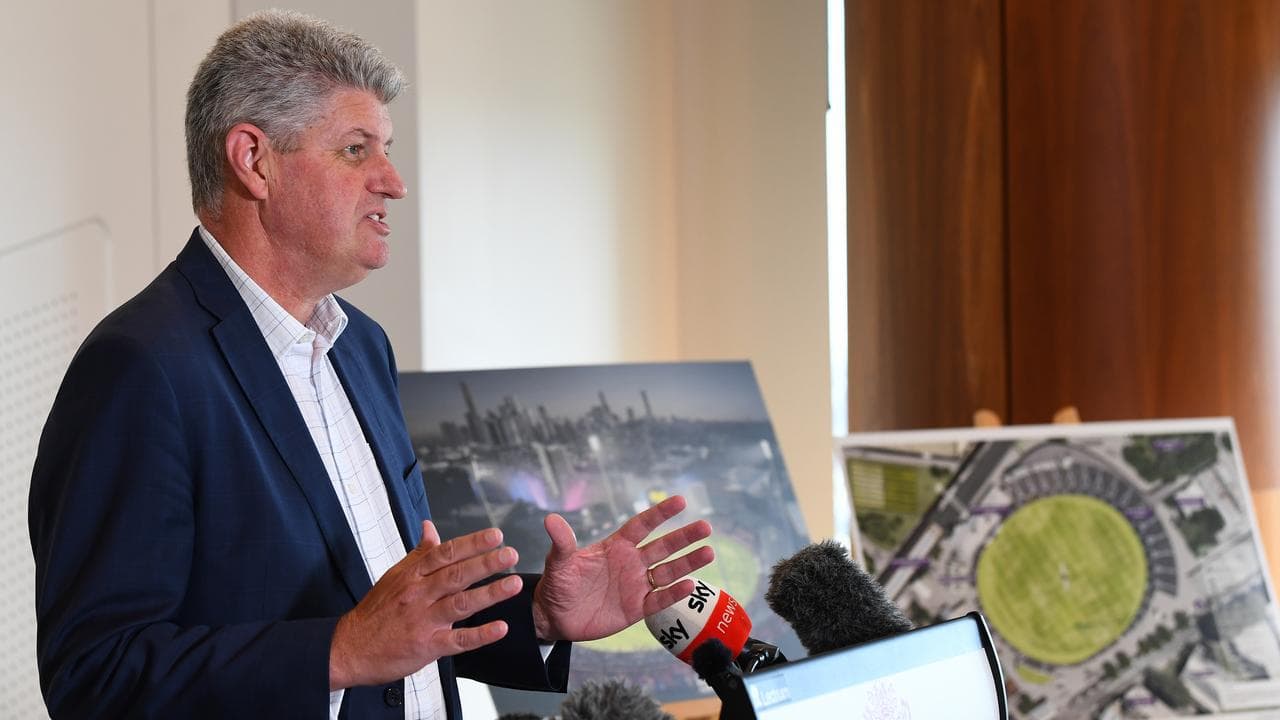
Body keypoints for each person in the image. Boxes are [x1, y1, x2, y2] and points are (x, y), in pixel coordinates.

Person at [27, 10, 714, 719]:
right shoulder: (140, 369)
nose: (393, 181)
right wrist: (341, 651)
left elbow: (398, 622)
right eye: (357, 150)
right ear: (253, 159)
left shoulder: (362, 346)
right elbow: (94, 676)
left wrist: (540, 614)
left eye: (385, 148)